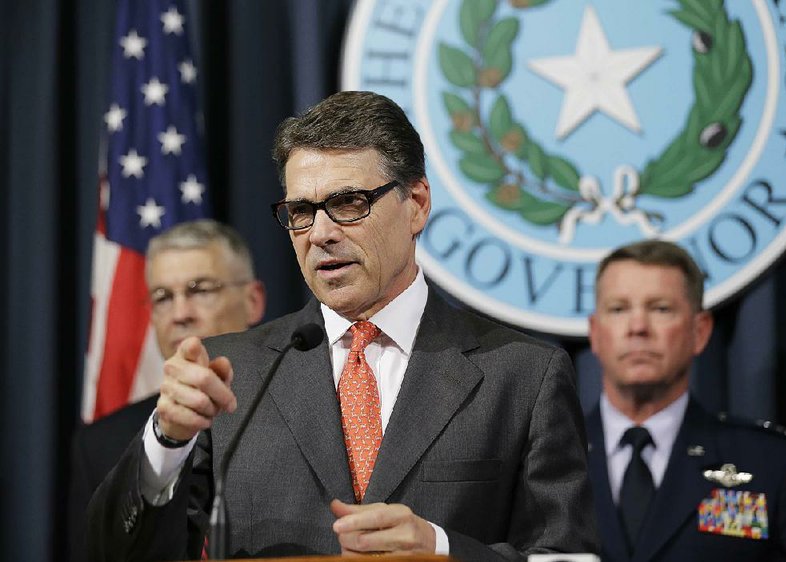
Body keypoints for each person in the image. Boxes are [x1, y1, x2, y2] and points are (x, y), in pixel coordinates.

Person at [87, 90, 598, 561]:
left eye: (349, 203)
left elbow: (567, 556)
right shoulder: (235, 373)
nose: (322, 234)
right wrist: (166, 440)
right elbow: (118, 550)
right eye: (301, 211)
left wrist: (443, 550)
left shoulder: (523, 374)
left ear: (416, 204)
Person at [585, 239, 786, 562]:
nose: (638, 327)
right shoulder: (541, 462)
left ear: (699, 332)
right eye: (619, 309)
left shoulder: (773, 464)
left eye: (661, 308)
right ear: (595, 333)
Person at [69, 219, 265, 562]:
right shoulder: (99, 444)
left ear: (253, 301)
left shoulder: (307, 406)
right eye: (162, 297)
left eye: (200, 289)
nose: (180, 314)